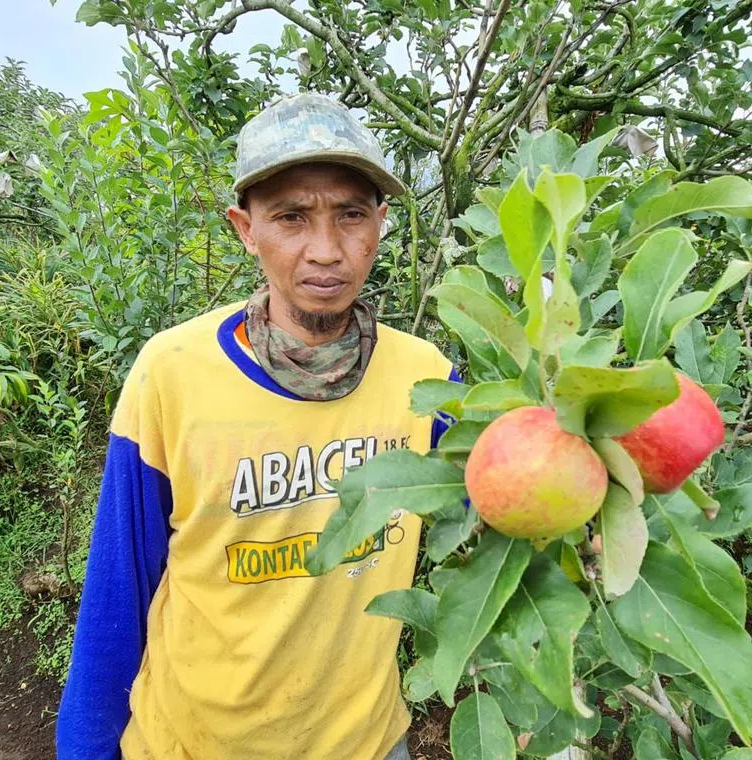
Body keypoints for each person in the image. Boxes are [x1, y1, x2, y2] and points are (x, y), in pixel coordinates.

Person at [56, 92, 459, 760]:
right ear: (246, 229)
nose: (326, 251)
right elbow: (117, 591)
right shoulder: (173, 375)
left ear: (381, 224)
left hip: (368, 743)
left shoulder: (426, 380)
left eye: (351, 215)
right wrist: (86, 746)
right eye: (291, 217)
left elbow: (504, 496)